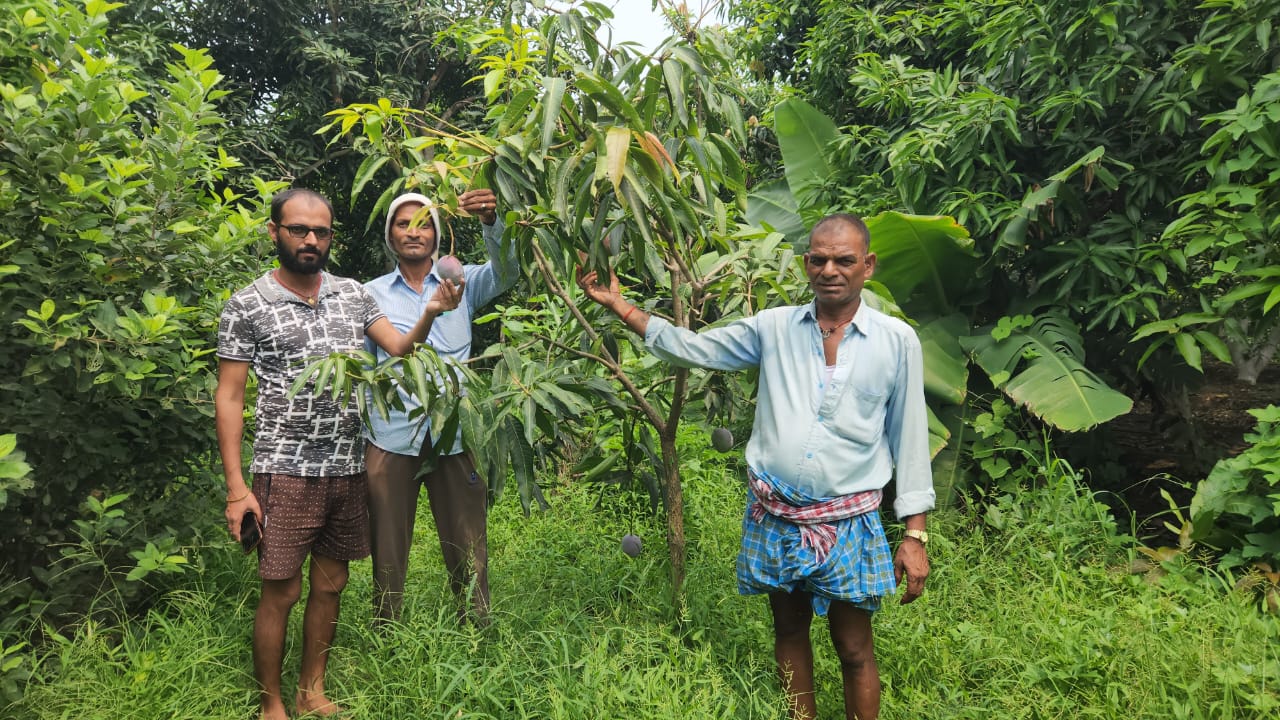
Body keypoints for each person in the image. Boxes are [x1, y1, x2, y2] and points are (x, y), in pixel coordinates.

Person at [578, 213, 933, 720]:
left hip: (849, 518)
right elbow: (695, 349)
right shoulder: (774, 328)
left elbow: (910, 438)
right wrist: (621, 306)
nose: (829, 269)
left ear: (867, 266)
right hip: (778, 513)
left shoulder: (896, 341)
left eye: (844, 260)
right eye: (818, 259)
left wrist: (915, 535)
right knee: (788, 630)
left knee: (854, 647)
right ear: (805, 263)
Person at [215, 188, 461, 720]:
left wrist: (431, 312)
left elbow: (398, 348)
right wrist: (238, 488)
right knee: (281, 592)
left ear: (331, 237)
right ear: (274, 231)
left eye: (321, 232)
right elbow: (230, 397)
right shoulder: (247, 304)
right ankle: (271, 703)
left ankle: (312, 691)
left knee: (331, 585)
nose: (311, 240)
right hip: (285, 470)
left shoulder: (352, 295)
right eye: (299, 230)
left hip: (347, 466)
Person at [363, 188, 518, 625]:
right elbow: (363, 366)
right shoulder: (368, 294)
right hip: (392, 434)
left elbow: (508, 270)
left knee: (468, 540)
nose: (414, 233)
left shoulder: (461, 281)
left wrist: (491, 221)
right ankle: (386, 630)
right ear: (390, 235)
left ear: (436, 233)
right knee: (388, 543)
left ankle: (476, 627)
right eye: (403, 224)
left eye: (424, 224)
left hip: (454, 431)